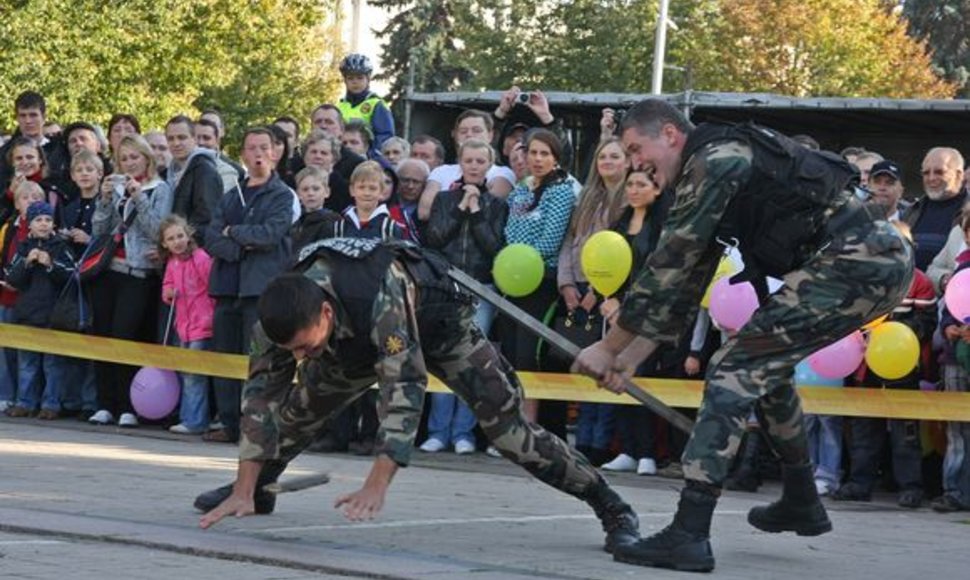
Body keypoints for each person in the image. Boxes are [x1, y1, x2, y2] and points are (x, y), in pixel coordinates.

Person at [572, 99, 913, 572]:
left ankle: (689, 533)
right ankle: (800, 498)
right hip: (862, 260)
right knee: (760, 367)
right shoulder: (710, 165)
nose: (635, 163)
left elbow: (669, 263)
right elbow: (692, 275)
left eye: (635, 148)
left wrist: (608, 347)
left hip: (857, 259)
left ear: (670, 134)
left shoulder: (716, 158)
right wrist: (630, 357)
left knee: (731, 368)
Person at [192, 237, 640, 554]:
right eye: (294, 351)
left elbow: (403, 386)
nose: (302, 358)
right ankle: (257, 491)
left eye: (305, 347)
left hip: (441, 332)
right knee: (295, 414)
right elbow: (260, 400)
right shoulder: (278, 320)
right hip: (349, 342)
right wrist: (243, 484)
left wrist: (376, 483)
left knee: (511, 435)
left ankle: (609, 505)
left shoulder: (379, 293)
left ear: (325, 312)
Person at [205, 127, 293, 444]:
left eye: (263, 147)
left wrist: (235, 233)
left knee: (259, 361)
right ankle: (228, 422)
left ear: (274, 153)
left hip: (260, 290)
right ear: (242, 154)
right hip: (227, 288)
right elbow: (212, 237)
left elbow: (270, 234)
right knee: (224, 359)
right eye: (251, 147)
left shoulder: (283, 195)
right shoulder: (231, 195)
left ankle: (254, 426)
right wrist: (239, 245)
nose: (257, 153)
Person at [420, 139, 508, 454]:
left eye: (479, 161)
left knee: (474, 360)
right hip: (448, 287)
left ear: (488, 166)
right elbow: (434, 238)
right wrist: (459, 211)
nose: (473, 166)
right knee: (444, 358)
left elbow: (494, 248)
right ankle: (438, 431)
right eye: (468, 161)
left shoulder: (497, 204)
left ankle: (464, 434)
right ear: (460, 163)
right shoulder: (444, 200)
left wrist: (477, 213)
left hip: (481, 288)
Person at [88, 134, 173, 428]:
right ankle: (104, 403)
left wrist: (139, 197)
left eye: (134, 157)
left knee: (124, 335)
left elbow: (157, 232)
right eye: (124, 159)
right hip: (109, 269)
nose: (129, 163)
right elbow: (100, 229)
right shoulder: (118, 186)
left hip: (138, 274)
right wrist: (105, 199)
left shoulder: (160, 189)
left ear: (147, 158)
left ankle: (128, 405)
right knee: (102, 336)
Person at [557, 136, 629, 466]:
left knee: (607, 363)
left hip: (611, 293)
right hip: (579, 289)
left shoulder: (630, 201)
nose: (608, 162)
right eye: (603, 157)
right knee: (584, 363)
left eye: (615, 156)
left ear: (627, 162)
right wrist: (568, 283)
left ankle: (602, 442)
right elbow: (570, 243)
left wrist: (599, 292)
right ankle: (582, 439)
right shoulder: (586, 199)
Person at [501, 129, 577, 439]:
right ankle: (513, 425)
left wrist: (521, 253)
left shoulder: (561, 191)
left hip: (542, 281)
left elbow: (549, 241)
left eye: (545, 153)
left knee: (529, 354)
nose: (537, 159)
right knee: (510, 353)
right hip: (513, 279)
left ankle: (530, 429)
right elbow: (510, 231)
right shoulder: (520, 189)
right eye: (533, 152)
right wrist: (516, 256)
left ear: (556, 158)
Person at [598, 167, 670, 476]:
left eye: (642, 184)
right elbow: (605, 265)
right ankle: (627, 448)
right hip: (618, 313)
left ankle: (647, 453)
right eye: (631, 184)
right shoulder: (619, 223)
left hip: (648, 314)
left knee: (638, 379)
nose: (634, 189)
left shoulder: (663, 226)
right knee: (615, 377)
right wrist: (609, 299)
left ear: (656, 190)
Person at [2, 201, 74, 419]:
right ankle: (25, 402)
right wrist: (26, 262)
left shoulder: (61, 246)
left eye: (48, 220)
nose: (44, 224)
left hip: (53, 315)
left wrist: (51, 264)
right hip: (27, 314)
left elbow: (71, 275)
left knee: (53, 365)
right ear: (29, 224)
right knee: (28, 364)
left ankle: (51, 404)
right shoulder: (23, 247)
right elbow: (11, 280)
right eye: (38, 220)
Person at [160, 215, 215, 435]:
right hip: (183, 326)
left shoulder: (201, 258)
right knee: (186, 372)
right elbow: (167, 284)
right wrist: (168, 293)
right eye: (171, 239)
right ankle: (188, 416)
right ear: (165, 244)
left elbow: (213, 286)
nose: (177, 242)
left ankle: (195, 421)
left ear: (189, 235)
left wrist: (210, 315)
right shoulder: (172, 263)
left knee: (194, 374)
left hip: (202, 325)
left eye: (180, 236)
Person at [417, 110, 517, 221]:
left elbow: (491, 208)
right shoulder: (441, 171)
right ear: (455, 135)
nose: (469, 135)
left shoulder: (503, 173)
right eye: (463, 131)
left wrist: (445, 208)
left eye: (476, 130)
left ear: (490, 135)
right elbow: (424, 212)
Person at [934, 211, 970, 513]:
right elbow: (950, 308)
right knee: (957, 429)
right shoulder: (960, 270)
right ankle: (953, 490)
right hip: (955, 359)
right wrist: (949, 327)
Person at [903, 147, 967, 271]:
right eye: (926, 173)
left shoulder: (967, 213)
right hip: (911, 288)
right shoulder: (911, 211)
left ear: (959, 174)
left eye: (939, 172)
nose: (931, 178)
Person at [163, 115, 223, 244]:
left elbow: (206, 219)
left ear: (194, 138)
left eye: (182, 137)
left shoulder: (205, 170)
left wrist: (180, 244)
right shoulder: (170, 171)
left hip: (193, 250)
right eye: (170, 139)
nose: (176, 143)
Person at [337, 53, 395, 156]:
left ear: (368, 79)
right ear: (345, 80)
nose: (355, 82)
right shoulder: (339, 106)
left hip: (367, 158)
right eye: (350, 78)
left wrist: (370, 154)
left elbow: (385, 136)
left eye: (360, 78)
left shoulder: (377, 104)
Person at [290, 166, 339, 253]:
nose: (310, 193)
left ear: (327, 192)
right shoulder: (295, 224)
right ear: (298, 194)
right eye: (305, 189)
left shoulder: (333, 223)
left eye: (316, 189)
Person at [300, 130, 350, 213]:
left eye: (324, 153)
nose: (318, 156)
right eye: (313, 152)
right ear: (304, 156)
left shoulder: (345, 189)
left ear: (334, 159)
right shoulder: (293, 183)